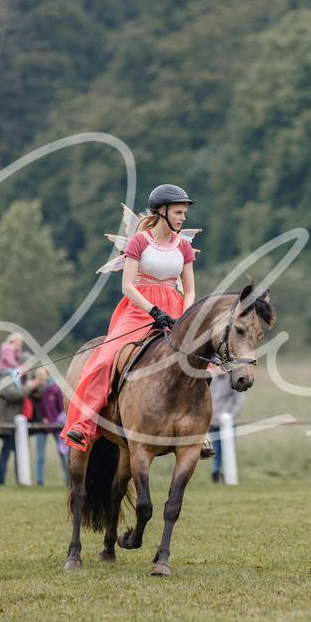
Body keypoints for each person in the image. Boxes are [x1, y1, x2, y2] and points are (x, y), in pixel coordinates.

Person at [61, 184, 198, 452]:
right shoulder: (140, 242)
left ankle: (196, 431)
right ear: (162, 211)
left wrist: (186, 316)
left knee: (199, 363)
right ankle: (83, 424)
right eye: (179, 212)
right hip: (138, 310)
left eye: (184, 213)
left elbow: (190, 289)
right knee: (105, 359)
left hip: (175, 310)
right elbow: (127, 286)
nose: (183, 217)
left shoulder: (183, 246)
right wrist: (153, 311)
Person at [0, 366, 41, 485]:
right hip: (9, 424)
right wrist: (28, 387)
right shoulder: (7, 379)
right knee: (5, 454)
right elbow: (14, 395)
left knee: (20, 455)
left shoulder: (23, 380)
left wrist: (37, 381)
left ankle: (20, 481)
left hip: (21, 426)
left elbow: (39, 393)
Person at [208, 365, 245, 483]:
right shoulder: (212, 381)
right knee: (215, 449)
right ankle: (216, 472)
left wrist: (231, 416)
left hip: (227, 422)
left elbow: (239, 401)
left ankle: (228, 474)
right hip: (213, 421)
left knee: (228, 449)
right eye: (215, 366)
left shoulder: (232, 381)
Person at [31, 366, 67, 485]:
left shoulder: (55, 389)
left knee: (63, 454)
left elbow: (62, 408)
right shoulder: (34, 390)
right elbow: (34, 408)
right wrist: (41, 419)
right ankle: (39, 481)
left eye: (42, 374)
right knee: (40, 455)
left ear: (48, 375)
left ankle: (68, 480)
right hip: (41, 427)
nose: (41, 377)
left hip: (57, 426)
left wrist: (58, 421)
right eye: (38, 374)